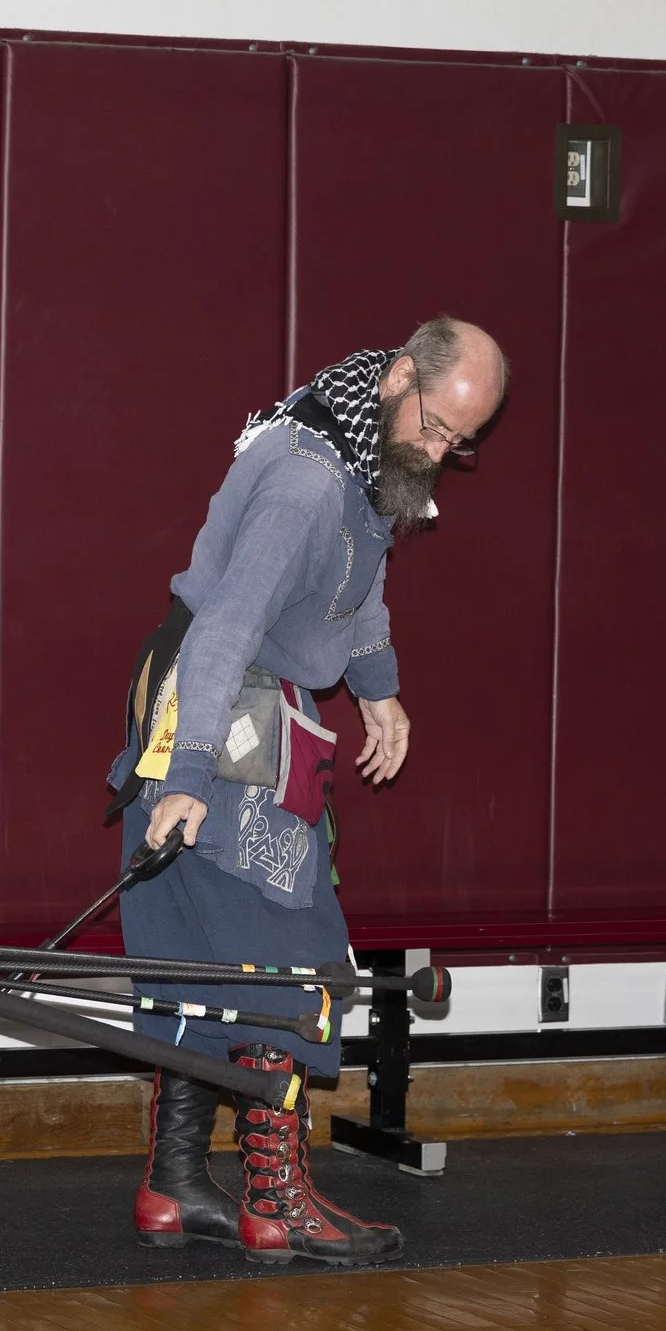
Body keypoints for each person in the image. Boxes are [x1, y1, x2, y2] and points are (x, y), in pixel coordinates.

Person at [112, 315, 507, 1266]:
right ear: (401, 375)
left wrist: (378, 687)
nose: (439, 454)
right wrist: (188, 774)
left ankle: (173, 1183)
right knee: (292, 960)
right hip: (223, 713)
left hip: (218, 704)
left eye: (459, 444)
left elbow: (354, 585)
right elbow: (226, 626)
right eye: (436, 428)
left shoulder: (357, 447)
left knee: (202, 960)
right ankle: (275, 1199)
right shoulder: (306, 481)